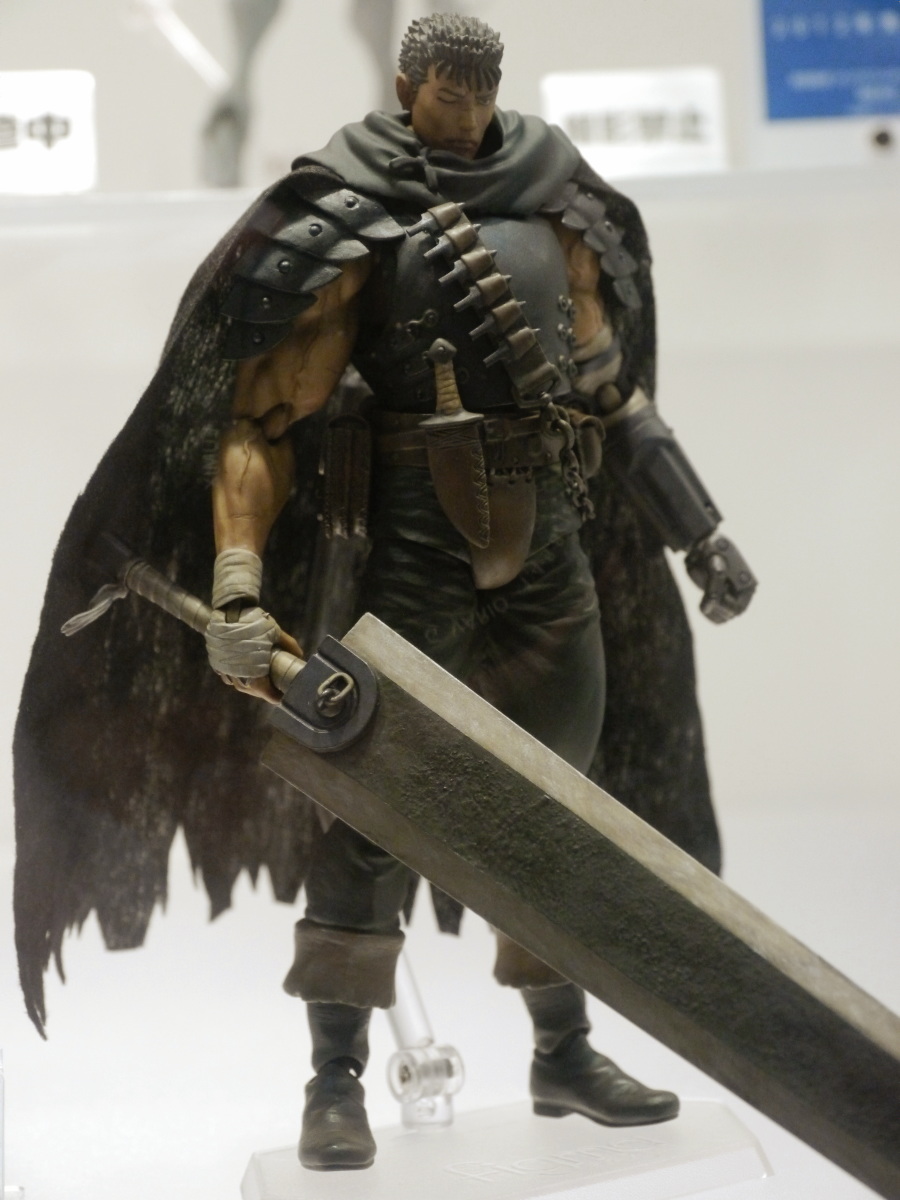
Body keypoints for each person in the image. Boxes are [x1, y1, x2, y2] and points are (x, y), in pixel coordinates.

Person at [200, 13, 756, 1171]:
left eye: (480, 90)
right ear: (408, 85)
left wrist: (698, 533)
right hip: (412, 556)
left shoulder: (552, 194)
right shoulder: (353, 208)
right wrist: (240, 579)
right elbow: (263, 419)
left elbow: (612, 394)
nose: (464, 110)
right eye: (445, 91)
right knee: (373, 808)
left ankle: (563, 1053)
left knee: (555, 811)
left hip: (548, 549)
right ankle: (334, 1079)